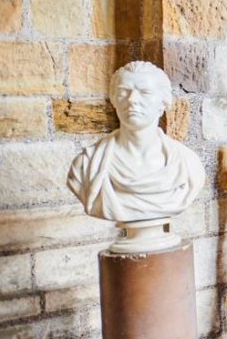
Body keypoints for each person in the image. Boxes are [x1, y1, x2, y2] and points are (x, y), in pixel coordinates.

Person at [67, 61, 204, 222]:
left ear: (163, 102)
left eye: (145, 92)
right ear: (113, 100)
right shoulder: (86, 165)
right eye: (124, 92)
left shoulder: (188, 165)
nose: (132, 100)